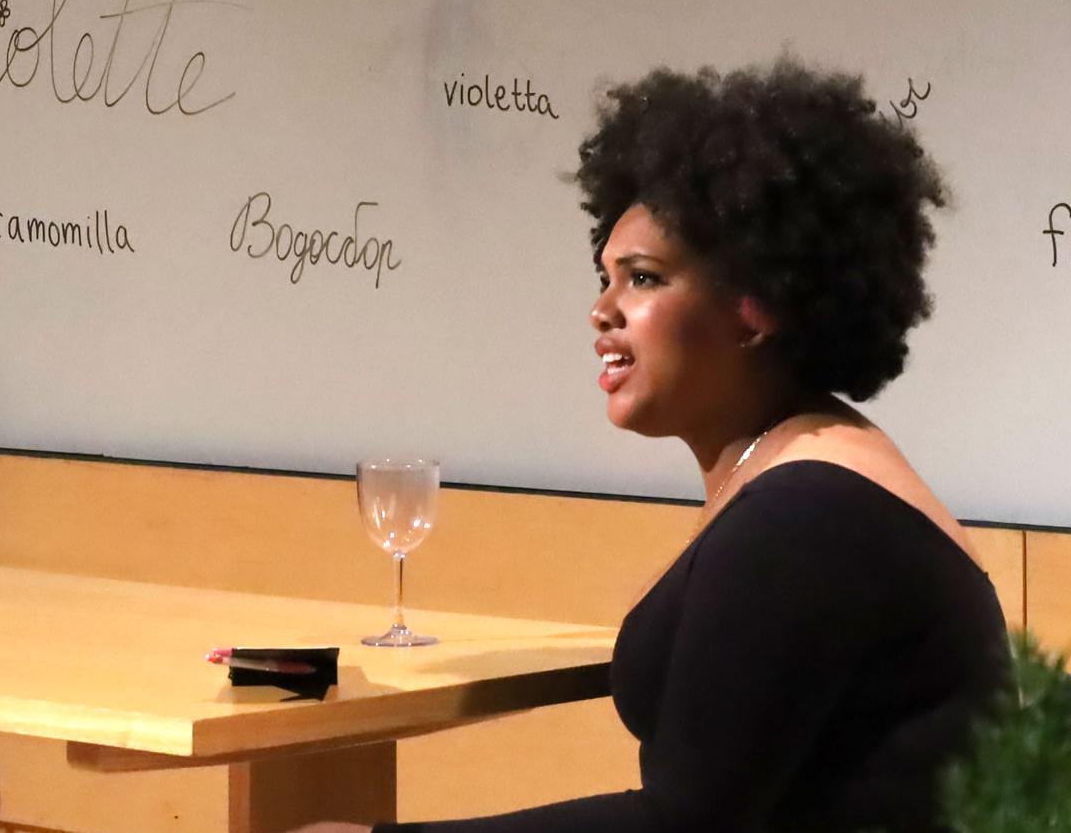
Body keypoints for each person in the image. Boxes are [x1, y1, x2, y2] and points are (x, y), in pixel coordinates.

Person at [303, 59, 1010, 833]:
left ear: (753, 310)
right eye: (604, 279)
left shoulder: (807, 516)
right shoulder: (798, 466)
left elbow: (683, 824)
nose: (601, 312)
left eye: (641, 279)